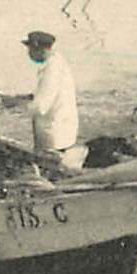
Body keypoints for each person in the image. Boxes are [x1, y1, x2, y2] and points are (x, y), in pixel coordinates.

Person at [13, 30, 84, 170]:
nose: (29, 54)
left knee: (51, 168)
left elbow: (40, 107)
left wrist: (15, 105)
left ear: (42, 50)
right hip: (61, 125)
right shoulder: (57, 61)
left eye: (31, 50)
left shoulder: (51, 72)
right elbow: (47, 94)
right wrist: (24, 98)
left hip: (54, 134)